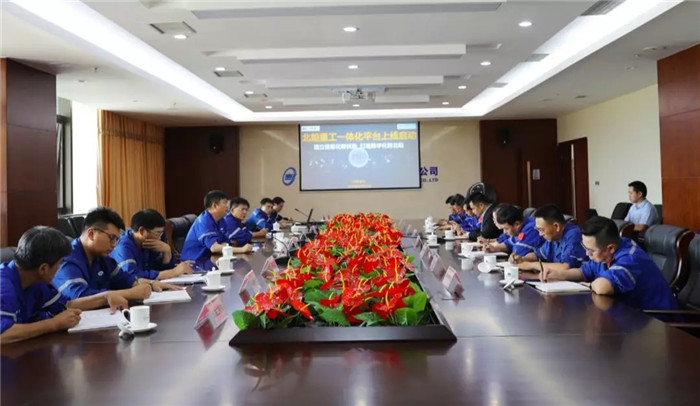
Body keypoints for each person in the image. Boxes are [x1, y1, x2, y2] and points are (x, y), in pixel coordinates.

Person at [1, 226, 130, 344]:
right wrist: (53, 324)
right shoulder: (4, 285)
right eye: (59, 264)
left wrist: (105, 297)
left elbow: (66, 305)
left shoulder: (36, 280)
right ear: (43, 268)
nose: (59, 268)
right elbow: (3, 334)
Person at [540, 216, 677, 310]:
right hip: (631, 315)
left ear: (610, 248)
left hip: (656, 322)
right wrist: (559, 274)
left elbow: (602, 288)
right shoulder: (606, 252)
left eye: (590, 250)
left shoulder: (631, 258)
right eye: (585, 248)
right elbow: (583, 272)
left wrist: (589, 284)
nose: (587, 254)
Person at [53, 207, 179, 301]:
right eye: (112, 238)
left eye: (117, 239)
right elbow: (78, 297)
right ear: (91, 234)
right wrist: (131, 293)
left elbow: (126, 279)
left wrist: (151, 284)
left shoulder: (103, 257)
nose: (114, 244)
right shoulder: (67, 258)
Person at [111, 209, 194, 280]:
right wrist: (174, 272)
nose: (159, 238)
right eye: (158, 233)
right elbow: (132, 276)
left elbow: (161, 270)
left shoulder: (148, 244)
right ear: (142, 231)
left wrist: (167, 251)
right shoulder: (123, 246)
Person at [513, 204, 586, 273]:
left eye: (541, 230)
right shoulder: (554, 237)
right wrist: (523, 259)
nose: (540, 234)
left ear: (556, 226)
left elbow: (565, 267)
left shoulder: (574, 235)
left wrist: (531, 265)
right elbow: (537, 254)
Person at [181, 190, 230, 261]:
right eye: (225, 203)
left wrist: (224, 246)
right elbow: (214, 248)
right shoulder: (203, 221)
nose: (227, 206)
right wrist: (241, 249)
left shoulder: (221, 220)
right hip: (194, 262)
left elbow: (225, 242)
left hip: (210, 258)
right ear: (215, 206)